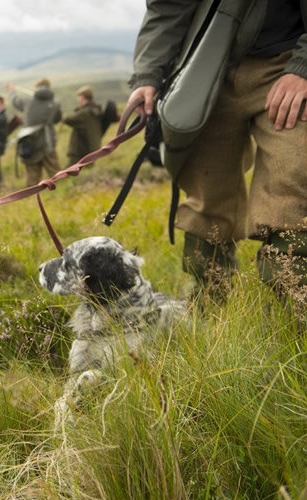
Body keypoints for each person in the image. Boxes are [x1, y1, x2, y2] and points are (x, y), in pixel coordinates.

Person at [126, 0, 307, 296]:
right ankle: (210, 306)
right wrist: (147, 74)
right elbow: (168, 6)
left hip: (291, 66)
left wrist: (303, 68)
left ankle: (295, 318)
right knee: (207, 198)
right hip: (207, 66)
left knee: (294, 189)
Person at [6, 78, 62, 186]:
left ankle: (32, 198)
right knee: (56, 174)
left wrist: (12, 91)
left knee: (32, 178)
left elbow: (15, 101)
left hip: (30, 142)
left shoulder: (28, 100)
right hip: (48, 141)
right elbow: (57, 119)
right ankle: (63, 194)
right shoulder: (55, 103)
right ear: (48, 87)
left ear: (37, 87)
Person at [63, 85, 103, 166]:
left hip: (80, 151)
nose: (78, 99)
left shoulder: (85, 113)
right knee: (87, 172)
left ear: (83, 97)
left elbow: (68, 120)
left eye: (79, 97)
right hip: (92, 149)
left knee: (68, 174)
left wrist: (62, 115)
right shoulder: (96, 110)